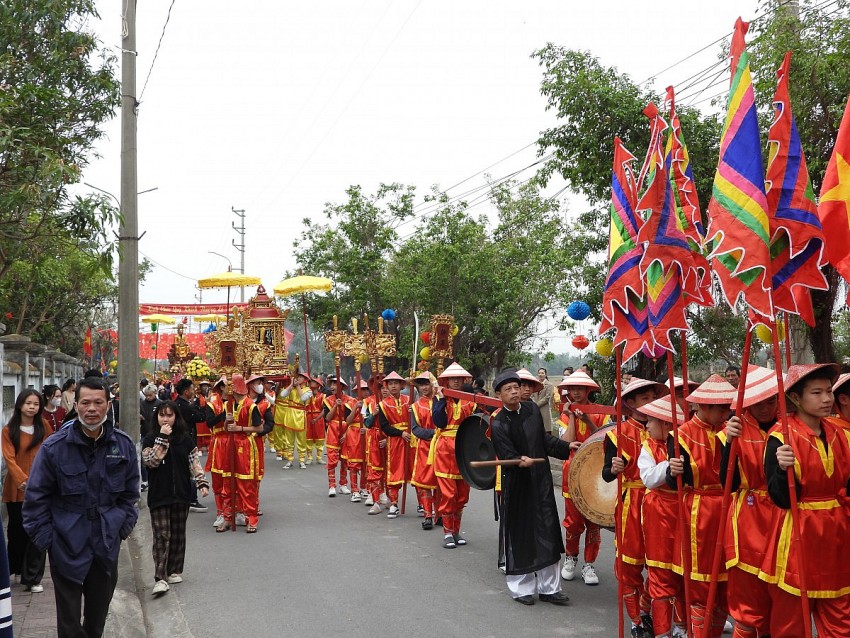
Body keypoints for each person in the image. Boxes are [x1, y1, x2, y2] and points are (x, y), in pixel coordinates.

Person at [23, 376, 139, 638]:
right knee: (69, 623)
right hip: (66, 544)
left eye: (98, 402)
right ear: (75, 405)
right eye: (85, 402)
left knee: (97, 619)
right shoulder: (54, 447)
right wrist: (48, 540)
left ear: (108, 405)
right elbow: (35, 499)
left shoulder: (122, 446)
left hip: (106, 542)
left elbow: (131, 494)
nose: (91, 408)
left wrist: (121, 527)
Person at [763, 363, 850, 637]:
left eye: (828, 392)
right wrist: (780, 469)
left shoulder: (842, 434)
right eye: (816, 393)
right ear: (796, 398)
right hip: (799, 532)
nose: (826, 399)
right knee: (792, 619)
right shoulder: (781, 436)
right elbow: (780, 498)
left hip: (837, 533)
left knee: (841, 619)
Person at [490, 369, 572, 606]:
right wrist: (518, 460)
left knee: (547, 532)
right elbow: (506, 455)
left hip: (541, 482)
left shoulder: (532, 410)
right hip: (518, 485)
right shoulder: (499, 423)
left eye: (517, 387)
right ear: (499, 395)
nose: (515, 391)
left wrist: (567, 447)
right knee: (522, 534)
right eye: (509, 389)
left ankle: (550, 588)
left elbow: (544, 441)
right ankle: (522, 588)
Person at [667, 374, 737, 638]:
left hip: (729, 508)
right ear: (701, 406)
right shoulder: (680, 435)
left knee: (726, 578)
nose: (724, 412)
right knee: (699, 579)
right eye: (719, 407)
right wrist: (672, 472)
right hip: (698, 511)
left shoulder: (731, 430)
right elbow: (677, 483)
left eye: (726, 407)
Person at [718, 365, 780, 638]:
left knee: (779, 592)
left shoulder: (791, 428)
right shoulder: (731, 431)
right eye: (759, 402)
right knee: (747, 589)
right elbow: (727, 483)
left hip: (783, 516)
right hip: (748, 516)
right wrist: (730, 443)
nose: (766, 407)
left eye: (771, 400)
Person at [602, 377, 667, 638]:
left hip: (662, 504)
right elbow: (606, 473)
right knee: (629, 566)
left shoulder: (667, 428)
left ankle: (648, 607)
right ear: (629, 404)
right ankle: (637, 621)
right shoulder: (615, 433)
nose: (651, 404)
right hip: (632, 503)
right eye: (645, 399)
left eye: (653, 398)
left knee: (660, 564)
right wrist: (613, 469)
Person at [142, 401, 210, 596]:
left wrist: (201, 482)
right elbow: (151, 461)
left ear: (176, 417)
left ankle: (173, 569)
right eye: (162, 415)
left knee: (178, 534)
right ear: (157, 417)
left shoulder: (185, 440)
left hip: (180, 493)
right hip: (159, 494)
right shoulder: (150, 438)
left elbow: (193, 463)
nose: (165, 419)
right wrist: (162, 438)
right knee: (162, 535)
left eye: (170, 415)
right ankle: (160, 577)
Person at [636, 396, 687, 638]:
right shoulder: (648, 446)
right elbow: (648, 478)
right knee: (660, 571)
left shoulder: (684, 442)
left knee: (685, 569)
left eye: (651, 421)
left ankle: (683, 626)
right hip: (658, 512)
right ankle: (662, 631)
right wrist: (669, 466)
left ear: (667, 424)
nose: (646, 426)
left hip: (685, 510)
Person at [558, 370, 607, 586]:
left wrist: (586, 420)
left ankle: (589, 563)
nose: (576, 393)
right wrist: (570, 417)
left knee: (594, 520)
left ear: (588, 391)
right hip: (572, 470)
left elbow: (604, 439)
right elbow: (566, 441)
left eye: (580, 389)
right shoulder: (563, 413)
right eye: (572, 389)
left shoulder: (601, 413)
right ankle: (570, 558)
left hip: (596, 471)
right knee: (573, 521)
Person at [3, 390, 53, 593]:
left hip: (42, 489)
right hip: (17, 490)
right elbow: (9, 458)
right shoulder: (9, 430)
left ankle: (32, 577)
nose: (32, 407)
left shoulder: (45, 427)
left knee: (38, 531)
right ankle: (16, 567)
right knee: (17, 532)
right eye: (28, 403)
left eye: (35, 403)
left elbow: (52, 451)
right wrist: (22, 480)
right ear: (20, 405)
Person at [431, 362, 478, 549]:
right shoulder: (440, 400)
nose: (456, 381)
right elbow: (439, 422)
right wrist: (441, 400)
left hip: (464, 449)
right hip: (445, 450)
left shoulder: (470, 401)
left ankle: (457, 531)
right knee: (449, 494)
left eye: (458, 378)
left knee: (462, 495)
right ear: (447, 381)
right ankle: (448, 532)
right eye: (452, 378)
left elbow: (475, 425)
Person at [217, 374, 265, 533]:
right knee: (227, 485)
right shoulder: (227, 406)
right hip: (230, 446)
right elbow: (225, 429)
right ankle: (227, 517)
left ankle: (251, 518)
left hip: (245, 446)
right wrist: (226, 422)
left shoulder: (251, 406)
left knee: (246, 485)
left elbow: (259, 429)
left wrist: (240, 429)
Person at [378, 372, 413, 518]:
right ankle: (393, 503)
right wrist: (400, 433)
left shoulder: (409, 401)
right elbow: (384, 426)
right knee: (394, 472)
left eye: (396, 383)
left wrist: (413, 412)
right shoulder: (383, 404)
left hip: (411, 439)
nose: (393, 386)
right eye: (390, 383)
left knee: (415, 470)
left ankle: (423, 505)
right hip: (395, 441)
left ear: (401, 385)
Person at [175, 378, 208, 513]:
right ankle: (192, 499)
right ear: (186, 391)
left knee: (186, 471)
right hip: (186, 441)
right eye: (191, 389)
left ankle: (185, 498)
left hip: (182, 440)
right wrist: (205, 406)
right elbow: (200, 417)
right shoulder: (184, 406)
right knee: (192, 471)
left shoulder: (181, 403)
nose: (193, 391)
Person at [410, 372, 439, 529]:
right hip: (424, 448)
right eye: (421, 384)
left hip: (441, 447)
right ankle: (428, 515)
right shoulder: (415, 407)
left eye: (427, 383)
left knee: (441, 482)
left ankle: (440, 514)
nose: (424, 387)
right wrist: (434, 433)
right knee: (425, 483)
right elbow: (416, 429)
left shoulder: (442, 402)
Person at [322, 376, 354, 497]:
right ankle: (331, 485)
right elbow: (327, 418)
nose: (332, 387)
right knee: (332, 458)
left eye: (335, 384)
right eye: (331, 384)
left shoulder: (350, 400)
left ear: (342, 386)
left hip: (346, 429)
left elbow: (351, 419)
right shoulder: (328, 400)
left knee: (345, 458)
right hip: (333, 430)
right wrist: (335, 405)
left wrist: (346, 433)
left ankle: (343, 484)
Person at [277, 372, 312, 468]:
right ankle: (290, 459)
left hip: (300, 415)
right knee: (289, 439)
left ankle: (301, 460)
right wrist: (291, 385)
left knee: (301, 439)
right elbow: (283, 394)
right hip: (289, 413)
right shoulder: (291, 388)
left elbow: (303, 398)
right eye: (298, 377)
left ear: (305, 380)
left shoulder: (308, 390)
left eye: (301, 377)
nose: (298, 378)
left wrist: (297, 387)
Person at [343, 380, 370, 503]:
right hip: (354, 434)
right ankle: (354, 490)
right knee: (354, 464)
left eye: (366, 389)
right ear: (355, 391)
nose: (364, 392)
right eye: (361, 389)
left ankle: (364, 488)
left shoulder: (372, 402)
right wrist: (355, 408)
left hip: (367, 433)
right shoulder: (349, 403)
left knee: (366, 463)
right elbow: (347, 420)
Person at [305, 375, 327, 464]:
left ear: (318, 385)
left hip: (319, 418)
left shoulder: (323, 396)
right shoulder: (307, 395)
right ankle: (309, 457)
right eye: (310, 382)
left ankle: (319, 457)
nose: (311, 383)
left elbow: (324, 410)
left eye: (313, 382)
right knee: (308, 438)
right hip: (308, 417)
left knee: (320, 438)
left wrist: (317, 419)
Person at [532, 367, 555, 433]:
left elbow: (547, 397)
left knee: (546, 429)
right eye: (539, 373)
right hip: (535, 408)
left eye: (542, 373)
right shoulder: (535, 384)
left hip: (544, 409)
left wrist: (536, 405)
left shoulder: (549, 385)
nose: (540, 374)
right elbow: (532, 395)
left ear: (545, 374)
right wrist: (533, 404)